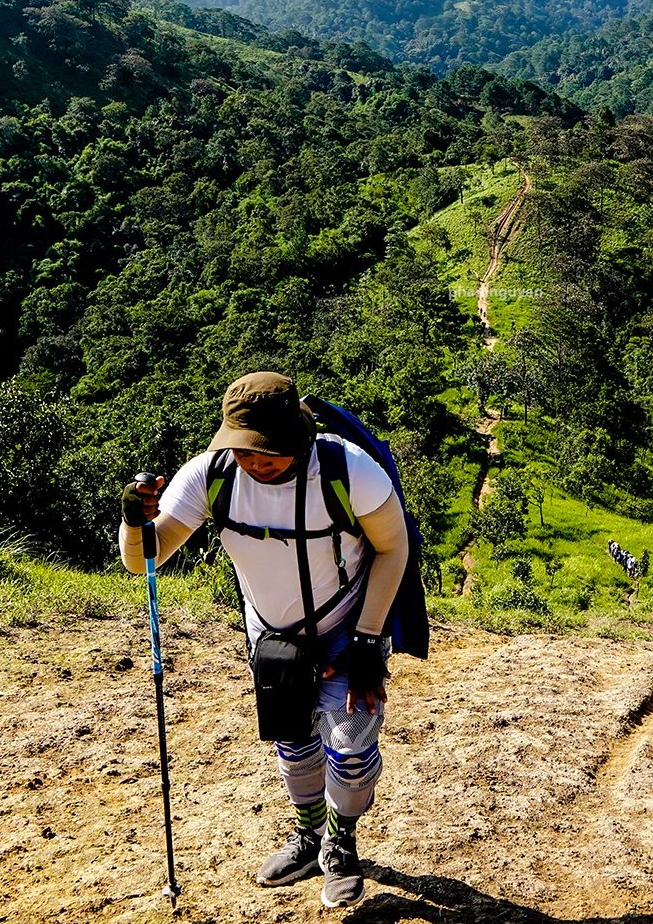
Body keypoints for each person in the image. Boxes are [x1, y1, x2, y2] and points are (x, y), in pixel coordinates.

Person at [121, 371, 412, 910]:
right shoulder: (211, 474)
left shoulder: (349, 471)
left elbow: (393, 549)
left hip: (350, 626)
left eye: (270, 453)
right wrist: (133, 520)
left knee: (348, 750)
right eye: (246, 451)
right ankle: (308, 836)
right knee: (294, 743)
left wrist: (370, 640)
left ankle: (341, 843)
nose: (256, 462)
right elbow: (147, 557)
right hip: (271, 634)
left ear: (299, 439)